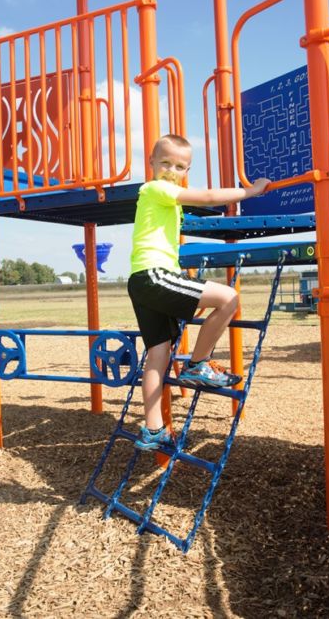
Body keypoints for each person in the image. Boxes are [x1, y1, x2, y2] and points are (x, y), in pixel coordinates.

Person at [127, 134, 270, 450]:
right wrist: (250, 191)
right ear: (151, 163)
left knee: (158, 355)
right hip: (153, 275)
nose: (170, 170)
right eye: (164, 162)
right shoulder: (156, 188)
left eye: (179, 166)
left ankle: (153, 430)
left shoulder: (164, 198)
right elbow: (206, 196)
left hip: (143, 279)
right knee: (228, 298)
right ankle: (198, 363)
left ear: (186, 169)